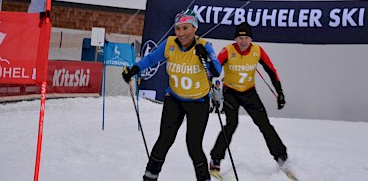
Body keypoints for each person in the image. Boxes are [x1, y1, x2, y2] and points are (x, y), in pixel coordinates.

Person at [122, 9, 222, 181]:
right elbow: (151, 59)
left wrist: (205, 58)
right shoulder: (170, 44)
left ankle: (204, 178)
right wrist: (134, 69)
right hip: (174, 99)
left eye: (186, 28)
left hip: (198, 102)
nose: (181, 33)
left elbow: (217, 71)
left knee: (193, 145)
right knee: (164, 140)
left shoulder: (204, 46)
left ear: (194, 28)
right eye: (178, 29)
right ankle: (150, 177)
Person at [209, 22, 288, 173]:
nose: (243, 41)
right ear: (235, 39)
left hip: (249, 93)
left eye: (246, 38)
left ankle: (281, 156)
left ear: (251, 39)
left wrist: (280, 93)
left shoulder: (257, 50)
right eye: (240, 38)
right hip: (230, 93)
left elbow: (271, 70)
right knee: (231, 124)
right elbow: (215, 69)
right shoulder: (228, 50)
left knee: (264, 124)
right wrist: (210, 80)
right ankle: (216, 158)